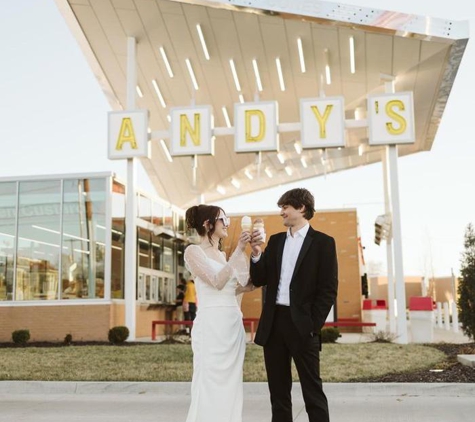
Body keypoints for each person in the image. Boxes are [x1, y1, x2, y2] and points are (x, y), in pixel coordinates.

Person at [249, 188, 338, 422]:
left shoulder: (323, 243)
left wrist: (312, 324)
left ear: (301, 208)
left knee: (313, 392)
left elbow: (328, 290)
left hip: (303, 326)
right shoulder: (276, 241)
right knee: (278, 393)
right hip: (274, 324)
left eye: (285, 207)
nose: (281, 212)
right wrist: (257, 254)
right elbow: (259, 279)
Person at [183, 204, 252, 422]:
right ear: (207, 224)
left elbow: (244, 287)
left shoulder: (223, 256)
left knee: (232, 384)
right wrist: (239, 250)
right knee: (209, 380)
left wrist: (256, 251)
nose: (228, 224)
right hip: (211, 326)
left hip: (231, 325)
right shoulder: (194, 252)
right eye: (223, 219)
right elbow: (217, 282)